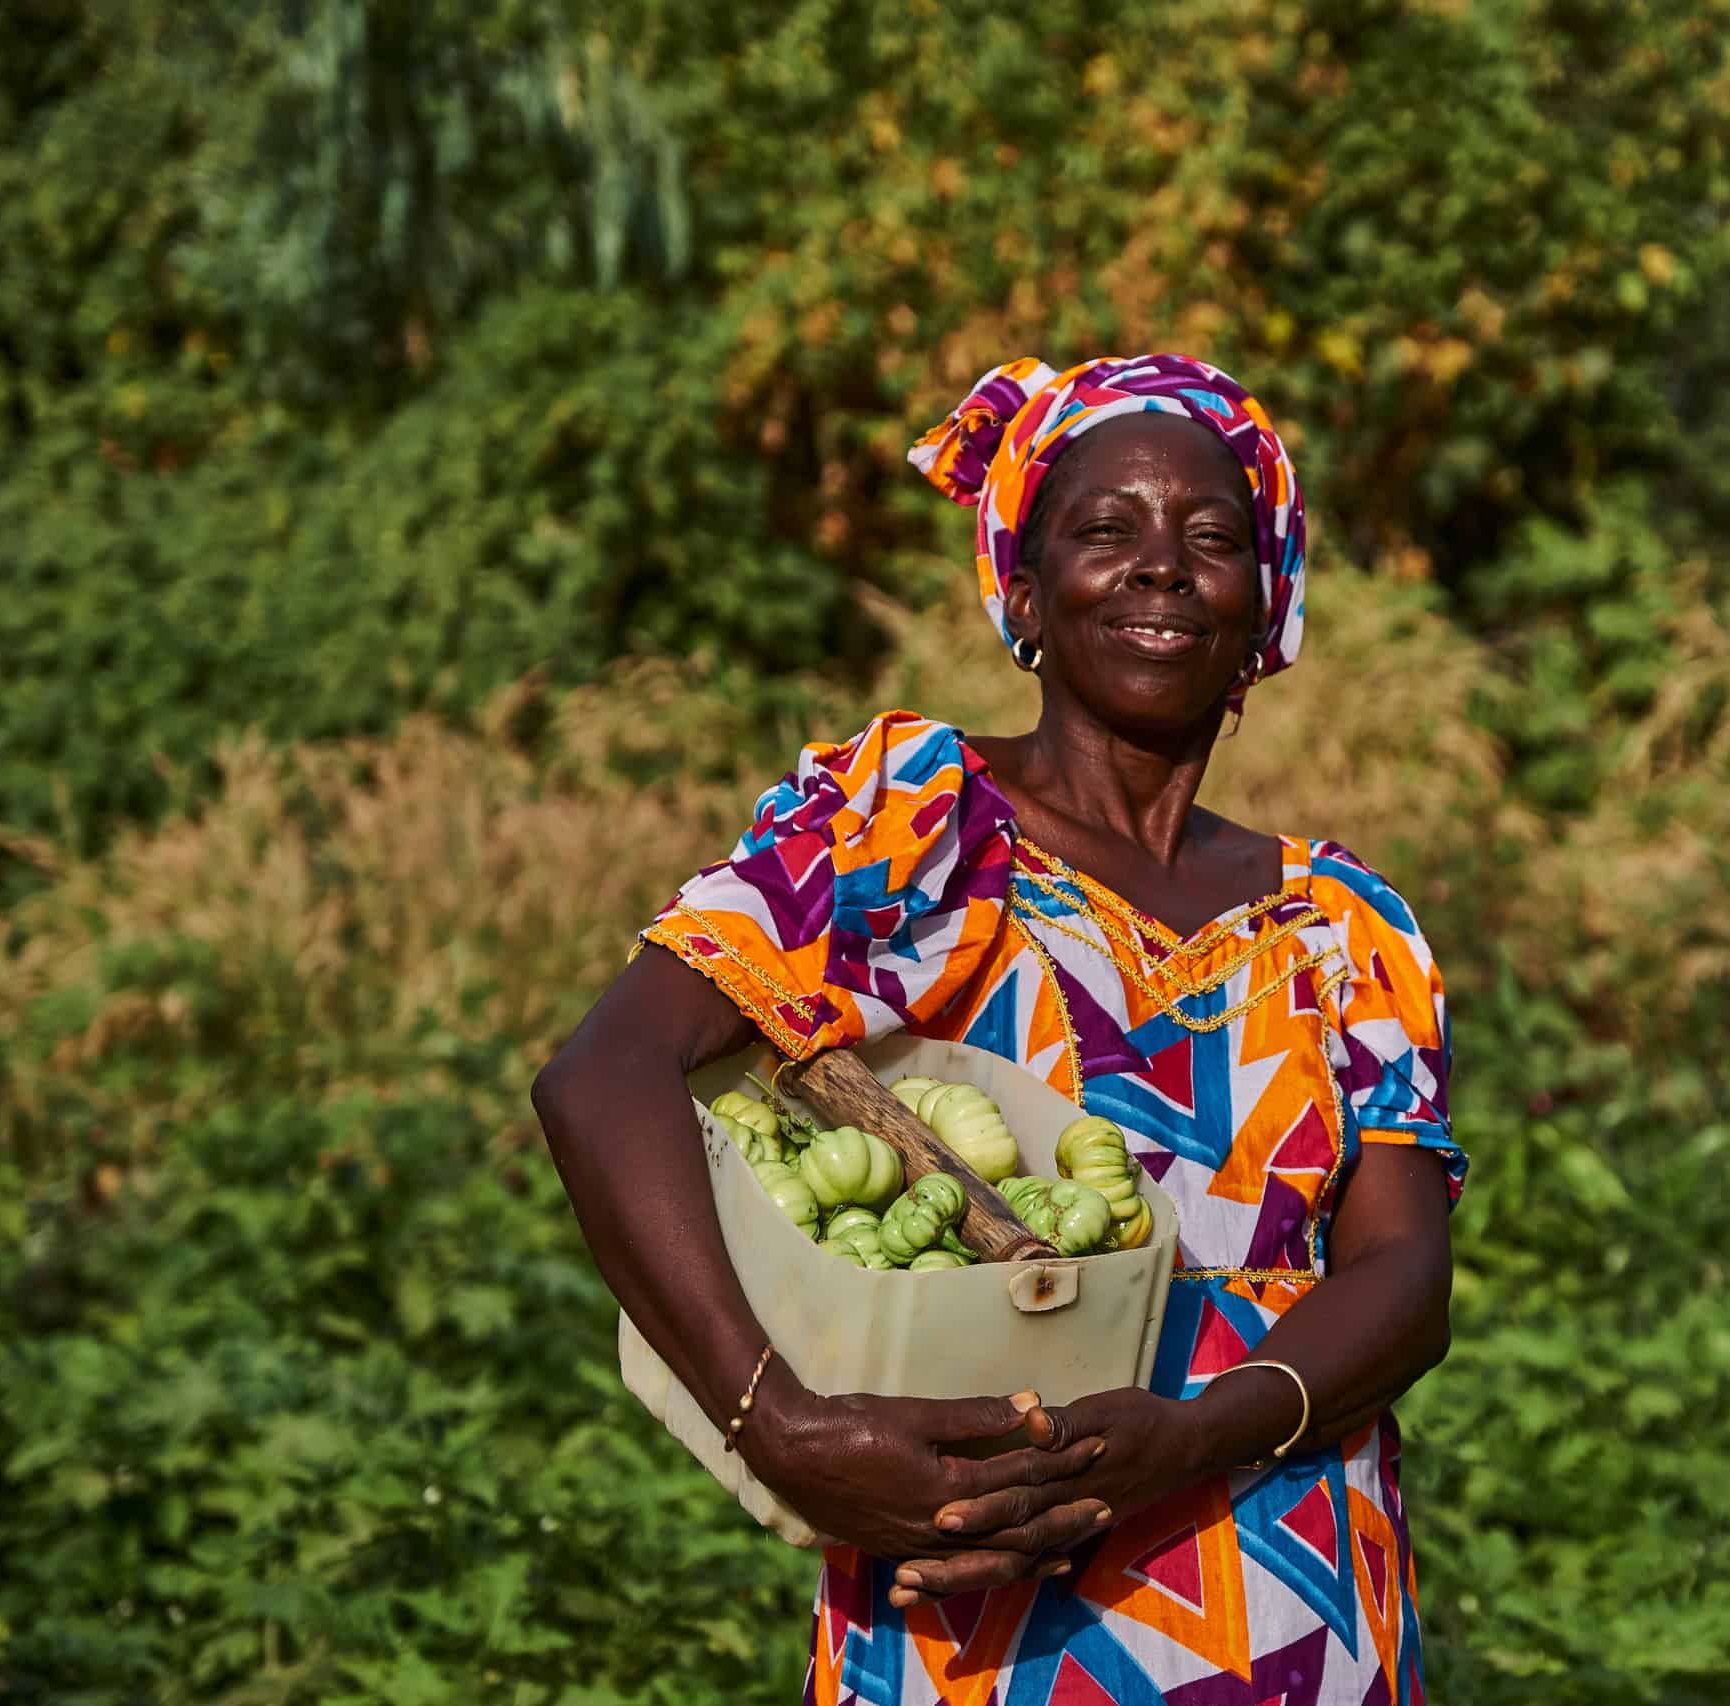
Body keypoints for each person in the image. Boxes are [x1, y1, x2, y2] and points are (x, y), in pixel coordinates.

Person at [532, 354, 1462, 1704]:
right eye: (1106, 529)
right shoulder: (926, 827)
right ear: (1023, 594)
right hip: (991, 1610)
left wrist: (1196, 1434)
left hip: (1301, 1605)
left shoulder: (1347, 926)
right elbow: (605, 1074)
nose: (1162, 566)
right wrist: (775, 1421)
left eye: (1212, 538)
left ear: (1264, 601)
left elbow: (1404, 1277)